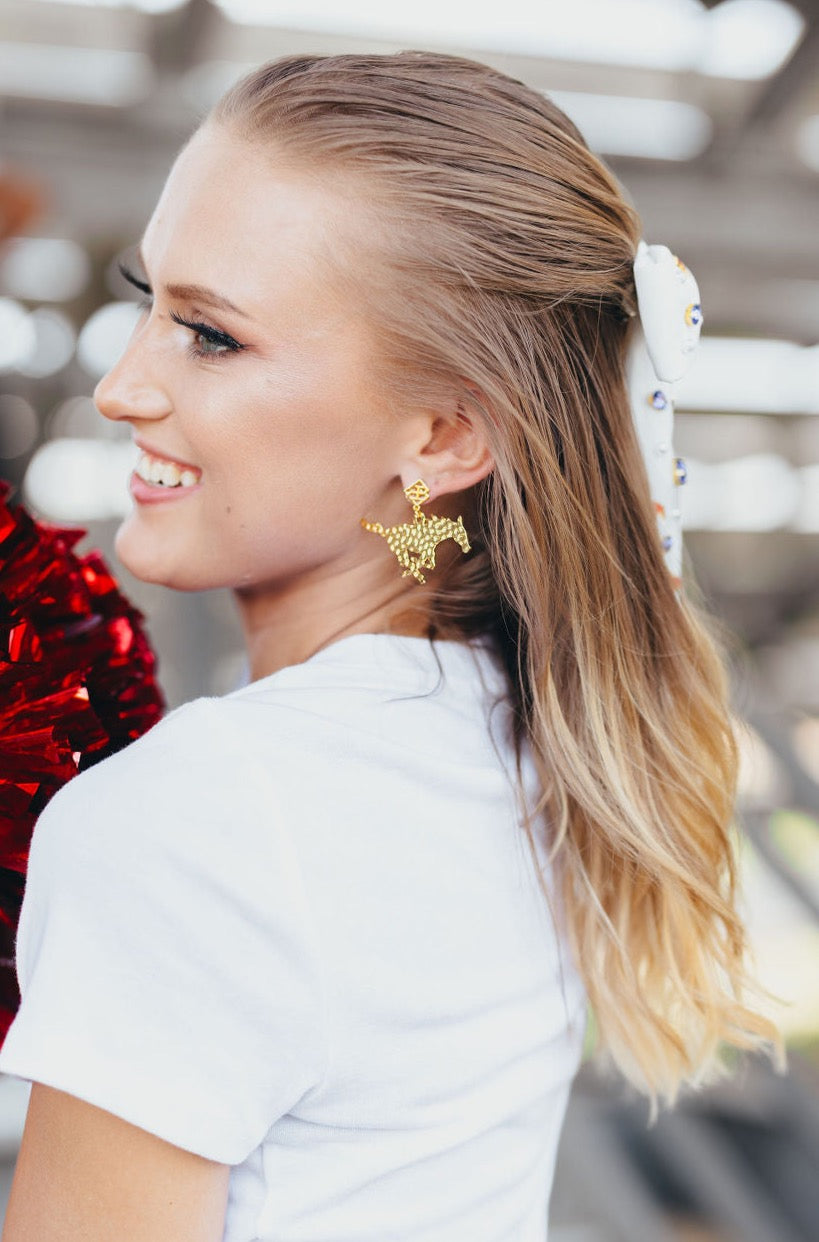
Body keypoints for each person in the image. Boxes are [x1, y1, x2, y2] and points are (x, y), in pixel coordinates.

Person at [0, 51, 778, 1242]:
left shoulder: (199, 813)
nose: (120, 387)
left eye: (210, 336)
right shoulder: (513, 736)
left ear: (445, 435)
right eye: (143, 296)